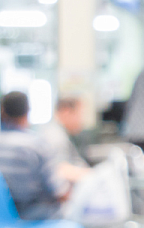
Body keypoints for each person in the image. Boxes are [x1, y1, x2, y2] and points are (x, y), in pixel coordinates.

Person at [0, 92, 70, 220]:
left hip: (5, 218)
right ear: (27, 112)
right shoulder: (36, 145)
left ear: (3, 111)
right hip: (34, 215)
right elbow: (59, 192)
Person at [40, 97, 90, 171]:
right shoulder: (55, 137)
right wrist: (93, 174)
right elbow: (60, 170)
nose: (82, 120)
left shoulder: (60, 132)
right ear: (66, 112)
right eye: (80, 114)